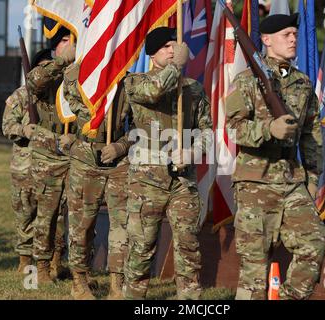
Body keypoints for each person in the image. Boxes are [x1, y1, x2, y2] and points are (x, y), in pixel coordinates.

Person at [226, 13, 325, 300]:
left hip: (292, 180)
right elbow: (233, 130)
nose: (294, 39)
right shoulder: (246, 82)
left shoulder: (303, 83)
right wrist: (269, 128)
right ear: (267, 40)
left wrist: (312, 177)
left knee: (315, 242)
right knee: (254, 271)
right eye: (287, 35)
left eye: (295, 33)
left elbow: (311, 134)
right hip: (254, 183)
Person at [122, 27, 213, 300]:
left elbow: (207, 129)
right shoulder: (136, 82)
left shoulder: (193, 89)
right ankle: (134, 297)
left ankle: (189, 298)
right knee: (141, 245)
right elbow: (154, 92)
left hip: (183, 180)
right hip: (146, 180)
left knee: (188, 244)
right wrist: (176, 66)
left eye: (175, 45)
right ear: (152, 53)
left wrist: (194, 151)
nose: (173, 51)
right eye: (166, 47)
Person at [62, 62, 132, 300]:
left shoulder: (130, 81)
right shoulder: (82, 75)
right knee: (82, 223)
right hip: (85, 158)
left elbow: (140, 126)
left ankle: (117, 284)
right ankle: (79, 281)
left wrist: (121, 146)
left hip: (118, 160)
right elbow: (69, 96)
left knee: (122, 224)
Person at [25, 27, 76, 285]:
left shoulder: (86, 68)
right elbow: (33, 82)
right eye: (65, 40)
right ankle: (40, 269)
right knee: (47, 214)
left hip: (78, 150)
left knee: (78, 215)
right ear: (55, 45)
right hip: (49, 154)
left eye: (73, 40)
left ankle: (69, 266)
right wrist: (60, 61)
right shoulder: (48, 68)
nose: (70, 44)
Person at [1, 49, 53, 274]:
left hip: (52, 166)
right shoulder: (21, 96)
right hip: (25, 166)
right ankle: (25, 260)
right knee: (25, 213)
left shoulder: (59, 97)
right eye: (42, 67)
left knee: (52, 217)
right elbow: (6, 126)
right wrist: (23, 129)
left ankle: (50, 262)